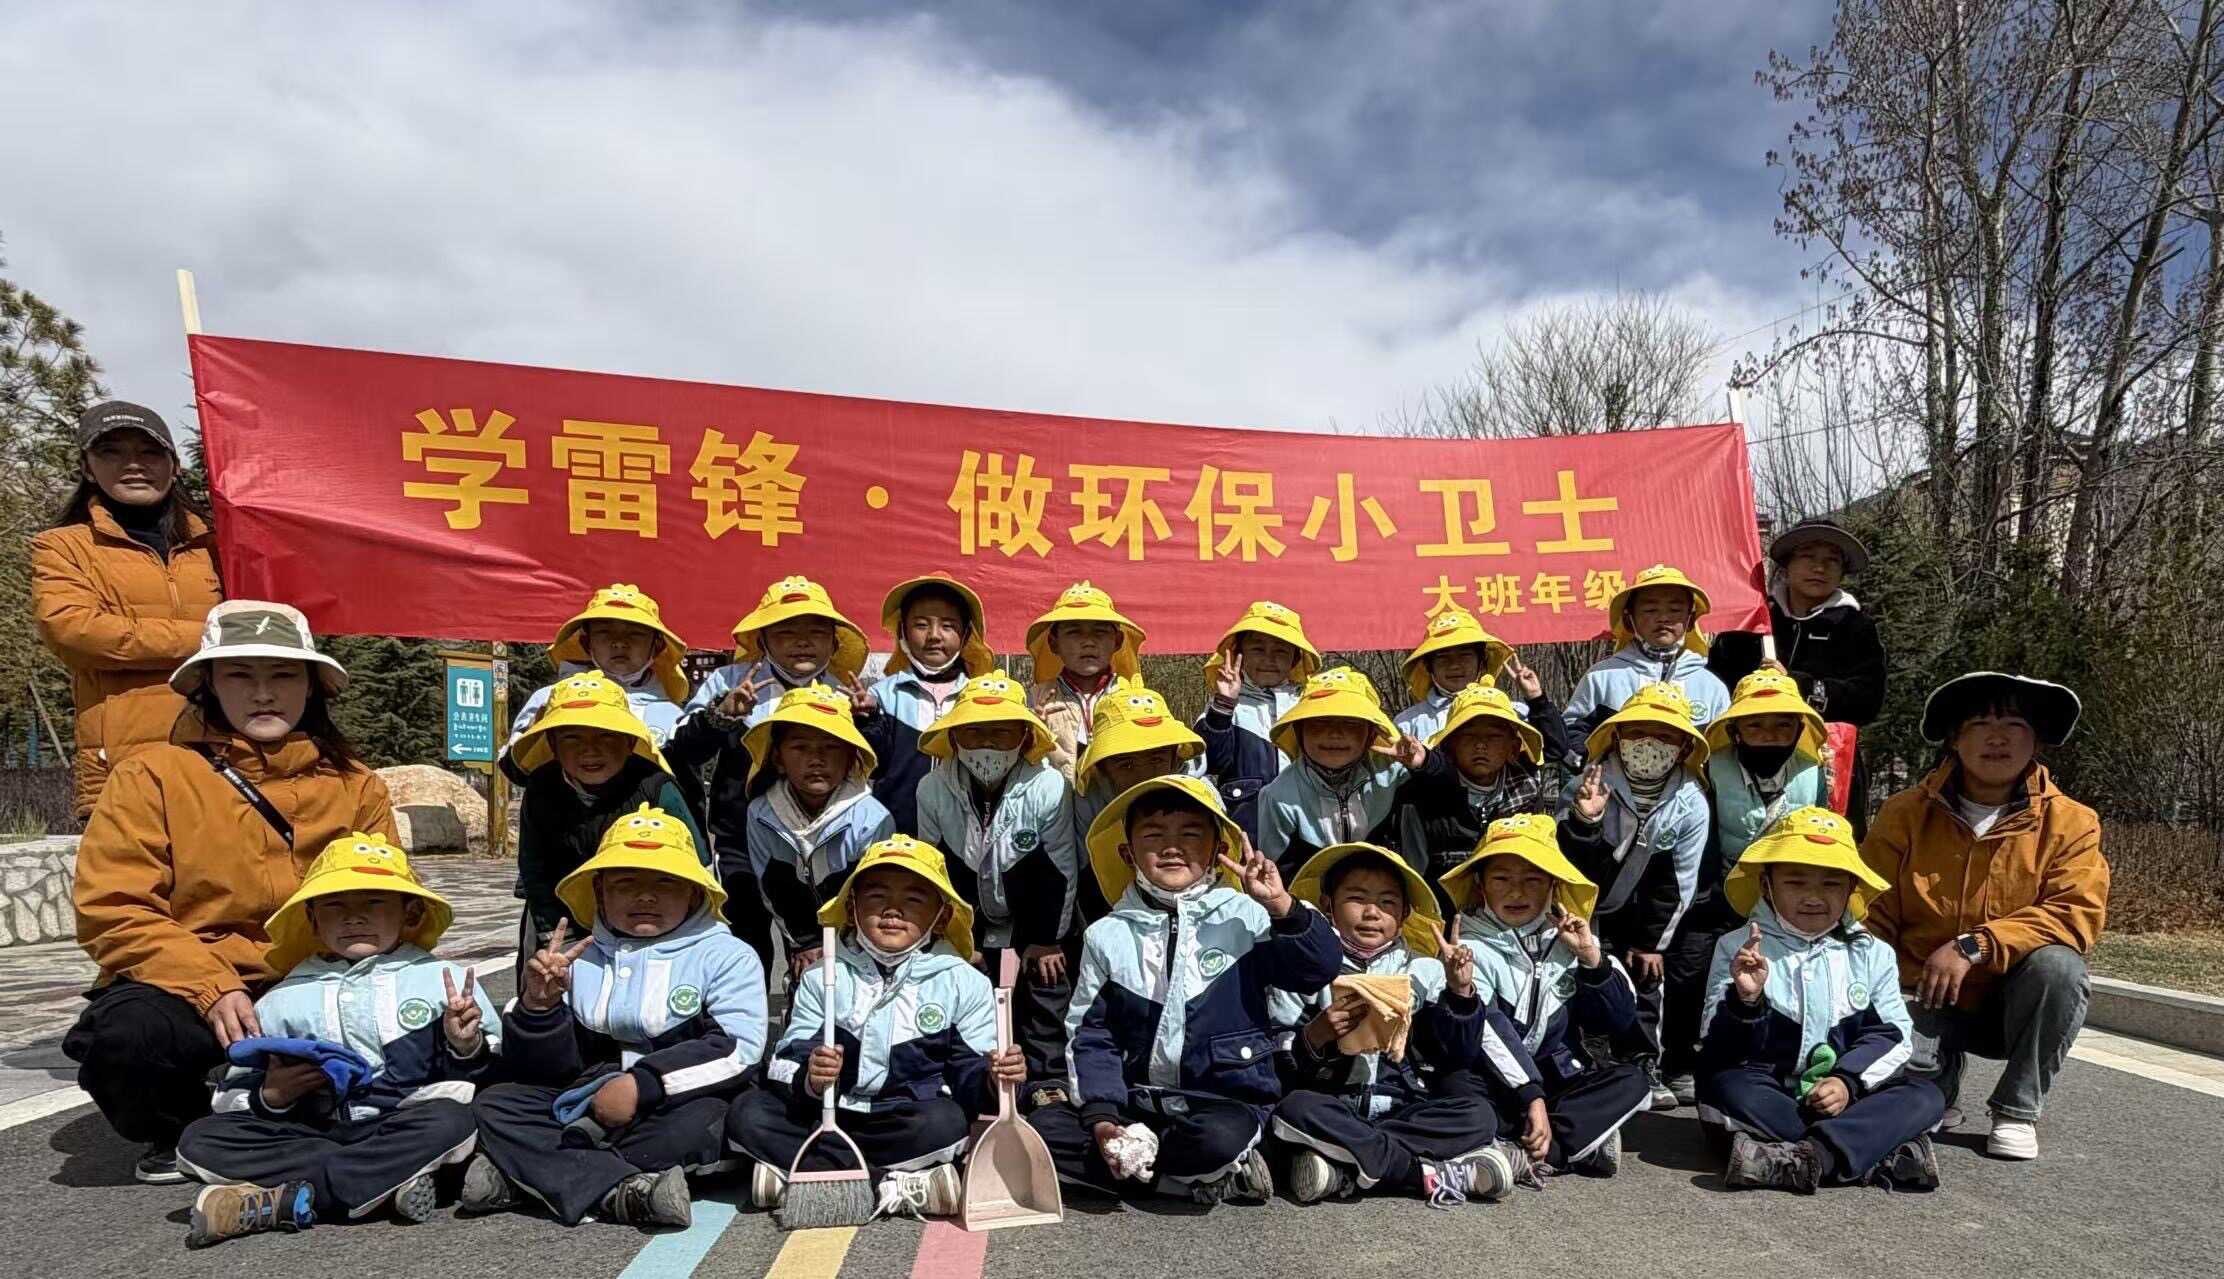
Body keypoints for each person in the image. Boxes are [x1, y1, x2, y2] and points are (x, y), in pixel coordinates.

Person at [66, 600, 394, 1184]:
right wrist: (211, 986)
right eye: (240, 675)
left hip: (315, 979)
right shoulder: (150, 776)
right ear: (209, 684)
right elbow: (114, 909)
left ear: (313, 685)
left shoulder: (357, 785)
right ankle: (186, 1127)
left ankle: (279, 1109)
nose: (263, 693)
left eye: (284, 674)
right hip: (195, 983)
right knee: (129, 1038)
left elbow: (390, 898)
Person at [173, 833, 500, 1247]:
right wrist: (272, 1097)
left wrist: (464, 1045)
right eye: (335, 906)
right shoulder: (281, 999)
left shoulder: (441, 981)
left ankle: (287, 1198)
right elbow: (232, 1093)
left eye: (374, 902)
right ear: (312, 920)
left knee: (453, 1120)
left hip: (402, 1123)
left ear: (411, 912)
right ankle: (384, 1183)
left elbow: (489, 1074)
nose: (354, 918)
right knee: (199, 1140)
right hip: (314, 1131)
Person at [1033, 776, 1340, 1203]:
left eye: (1191, 835)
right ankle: (1192, 1181)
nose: (1172, 848)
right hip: (1139, 1105)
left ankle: (1190, 1169)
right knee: (1046, 1131)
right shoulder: (1106, 935)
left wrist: (1281, 906)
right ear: (1128, 854)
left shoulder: (1248, 917)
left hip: (1223, 1104)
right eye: (1154, 836)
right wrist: (1105, 1122)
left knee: (1218, 1139)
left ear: (1218, 850)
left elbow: (1318, 968)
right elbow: (1091, 1035)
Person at [465, 807, 767, 1228]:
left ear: (695, 894)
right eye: (626, 883)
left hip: (677, 1101)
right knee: (497, 1104)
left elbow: (739, 1049)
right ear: (600, 892)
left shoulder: (726, 955)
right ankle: (617, 1190)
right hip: (587, 1098)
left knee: (707, 1125)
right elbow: (547, 1072)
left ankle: (531, 1173)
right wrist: (540, 1010)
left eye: (665, 882)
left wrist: (643, 1085)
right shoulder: (579, 959)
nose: (645, 897)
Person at [1860, 672, 2104, 1162]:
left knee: (2061, 969)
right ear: (1954, 738)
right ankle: (1936, 1074)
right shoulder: (1905, 812)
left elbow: (2074, 912)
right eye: (1980, 724)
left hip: (2010, 1003)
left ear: (2037, 740)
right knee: (1904, 1104)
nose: (1997, 738)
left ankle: (2017, 1108)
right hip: (1920, 995)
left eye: (2014, 724)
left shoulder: (2073, 822)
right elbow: (1871, 908)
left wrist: (1974, 945)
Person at [729, 835, 1021, 1219]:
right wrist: (810, 1077)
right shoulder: (821, 977)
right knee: (748, 1113)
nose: (892, 911)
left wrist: (995, 1077)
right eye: (877, 896)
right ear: (852, 909)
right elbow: (784, 1060)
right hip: (829, 1113)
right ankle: (895, 1185)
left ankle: (802, 1176)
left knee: (947, 1124)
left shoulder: (964, 982)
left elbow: (970, 1073)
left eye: (913, 900)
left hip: (904, 1117)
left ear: (941, 917)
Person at [1268, 843, 1530, 1205]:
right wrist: (1315, 1037)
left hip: (1402, 1109)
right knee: (1295, 1108)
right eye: (1357, 898)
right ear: (1328, 904)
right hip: (1334, 1102)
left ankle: (1347, 1168)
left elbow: (1459, 1053)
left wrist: (1460, 992)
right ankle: (1425, 1175)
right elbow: (1278, 1056)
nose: (1372, 913)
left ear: (1405, 913)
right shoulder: (1303, 968)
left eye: (1387, 902)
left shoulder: (1424, 971)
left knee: (1478, 1115)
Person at [1699, 807, 1944, 1193]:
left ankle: (1805, 1159)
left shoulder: (1872, 952)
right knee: (1728, 1090)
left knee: (1926, 1095)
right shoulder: (1738, 948)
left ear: (1852, 888)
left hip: (1847, 1096)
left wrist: (1846, 1082)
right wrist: (1746, 1001)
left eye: (1831, 884)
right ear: (1766, 885)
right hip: (1770, 1091)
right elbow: (1715, 1044)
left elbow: (1895, 1035)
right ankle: (1872, 1152)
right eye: (1795, 882)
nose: (1813, 897)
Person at [31, 400, 223, 819]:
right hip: (124, 771)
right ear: (87, 467)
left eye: (150, 451)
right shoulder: (63, 547)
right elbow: (75, 632)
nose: (133, 464)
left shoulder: (218, 547)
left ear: (175, 466)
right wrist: (213, 638)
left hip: (226, 758)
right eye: (111, 451)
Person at [668, 575, 871, 966]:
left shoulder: (846, 694)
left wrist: (869, 721)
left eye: (815, 632)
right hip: (740, 838)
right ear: (762, 640)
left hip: (819, 841)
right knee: (745, 940)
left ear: (834, 642)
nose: (802, 641)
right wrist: (722, 715)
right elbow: (682, 751)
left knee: (820, 946)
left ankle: (810, 1003)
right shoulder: (728, 682)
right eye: (786, 631)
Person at [1440, 814, 1651, 1175]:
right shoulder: (1466, 947)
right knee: (1458, 1092)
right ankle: (1573, 1146)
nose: (1517, 892)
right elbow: (1487, 1029)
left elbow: (1618, 1020)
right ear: (1480, 885)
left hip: (1554, 1078)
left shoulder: (1573, 941)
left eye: (1533, 880)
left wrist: (1591, 960)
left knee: (1632, 1081)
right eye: (1501, 879)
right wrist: (1531, 1096)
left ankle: (1534, 1149)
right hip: (1490, 1078)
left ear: (1554, 885)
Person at [1658, 669, 1831, 1104]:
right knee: (1690, 965)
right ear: (1735, 729)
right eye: (1755, 724)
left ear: (1800, 728)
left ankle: (1785, 1061)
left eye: (1782, 725)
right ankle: (1679, 1059)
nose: (1769, 735)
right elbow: (1701, 839)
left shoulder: (1815, 772)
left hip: (1789, 897)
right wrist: (1713, 895)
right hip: (1716, 892)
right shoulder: (1711, 768)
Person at [914, 674, 1079, 1104]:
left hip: (1032, 912)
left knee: (1047, 978)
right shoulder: (932, 789)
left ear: (1025, 736)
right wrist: (958, 939)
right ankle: (964, 1079)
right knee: (954, 979)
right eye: (975, 731)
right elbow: (934, 870)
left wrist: (1046, 939)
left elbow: (1060, 868)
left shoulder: (1048, 786)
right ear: (954, 737)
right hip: (968, 913)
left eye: (1001, 731)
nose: (987, 743)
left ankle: (1048, 1081)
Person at [1557, 680, 1712, 1111]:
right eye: (1639, 731)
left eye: (1665, 736)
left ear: (1684, 747)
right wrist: (1586, 822)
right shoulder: (1587, 783)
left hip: (1640, 904)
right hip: (1582, 898)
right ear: (1618, 736)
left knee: (1645, 975)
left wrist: (1651, 943)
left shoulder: (1691, 802)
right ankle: (1580, 1057)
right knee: (1576, 971)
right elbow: (1566, 863)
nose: (1650, 744)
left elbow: (1680, 881)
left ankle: (1641, 1059)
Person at [508, 670, 707, 944]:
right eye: (572, 738)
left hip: (649, 916)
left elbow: (696, 861)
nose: (590, 750)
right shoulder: (541, 787)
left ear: (630, 741)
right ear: (552, 744)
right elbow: (534, 865)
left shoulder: (656, 786)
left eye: (606, 736)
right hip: (561, 916)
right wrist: (552, 931)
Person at [740, 684, 893, 976]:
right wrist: (806, 942)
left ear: (851, 757)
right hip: (800, 933)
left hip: (862, 937)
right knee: (805, 979)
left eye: (831, 747)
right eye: (800, 747)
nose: (816, 760)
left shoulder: (872, 818)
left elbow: (875, 892)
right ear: (778, 759)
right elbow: (771, 886)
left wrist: (845, 946)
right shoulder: (760, 814)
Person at [503, 585, 695, 799]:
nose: (619, 642)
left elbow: (685, 791)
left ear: (657, 645)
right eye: (604, 632)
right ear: (586, 642)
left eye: (635, 633)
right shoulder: (549, 699)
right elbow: (517, 770)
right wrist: (534, 737)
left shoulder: (672, 717)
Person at [1394, 679, 1565, 913]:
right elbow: (1413, 879)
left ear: (1513, 748)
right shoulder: (1418, 797)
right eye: (1469, 736)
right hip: (1442, 917)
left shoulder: (1529, 793)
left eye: (1493, 736)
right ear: (1450, 745)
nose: (1481, 745)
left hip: (1512, 915)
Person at [855, 574, 996, 836]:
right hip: (895, 836)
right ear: (902, 632)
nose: (934, 636)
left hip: (963, 840)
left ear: (966, 634)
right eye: (921, 625)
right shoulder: (881, 696)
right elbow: (869, 767)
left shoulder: (980, 697)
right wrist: (866, 720)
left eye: (948, 626)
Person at [1254, 667, 1428, 878]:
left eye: (1350, 723)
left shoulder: (1395, 775)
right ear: (1299, 731)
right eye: (1320, 721)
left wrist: (1424, 763)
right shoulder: (1278, 797)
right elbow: (1277, 871)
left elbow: (1450, 792)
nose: (1335, 733)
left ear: (1371, 733)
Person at [1070, 677, 1206, 919]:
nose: (1144, 775)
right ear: (1102, 768)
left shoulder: (1202, 796)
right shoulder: (1089, 801)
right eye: (1127, 765)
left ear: (1175, 758)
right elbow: (1084, 866)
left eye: (1156, 759)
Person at [1563, 564, 1731, 752]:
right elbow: (1572, 734)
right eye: (1651, 610)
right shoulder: (1602, 678)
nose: (1663, 618)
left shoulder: (1711, 686)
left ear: (1690, 620)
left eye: (1675, 609)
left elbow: (1724, 748)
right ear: (1629, 619)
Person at [1193, 600, 1321, 840]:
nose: (1269, 659)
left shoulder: (1310, 705)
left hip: (1306, 834)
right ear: (1239, 655)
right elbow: (1209, 762)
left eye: (1280, 651)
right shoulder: (1225, 706)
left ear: (1295, 659)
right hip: (1248, 837)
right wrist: (1224, 705)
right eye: (1258, 649)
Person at [1023, 580, 1146, 781]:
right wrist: (1033, 733)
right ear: (1054, 643)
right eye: (1074, 632)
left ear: (1117, 641)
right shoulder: (1035, 699)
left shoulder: (1135, 698)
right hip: (1057, 800)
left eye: (1100, 631)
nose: (1088, 642)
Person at [1391, 607, 1511, 741]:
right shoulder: (1407, 723)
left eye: (1464, 655)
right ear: (1428, 666)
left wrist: (1531, 697)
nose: (1454, 665)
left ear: (1481, 662)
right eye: (1443, 657)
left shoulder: (1508, 713)